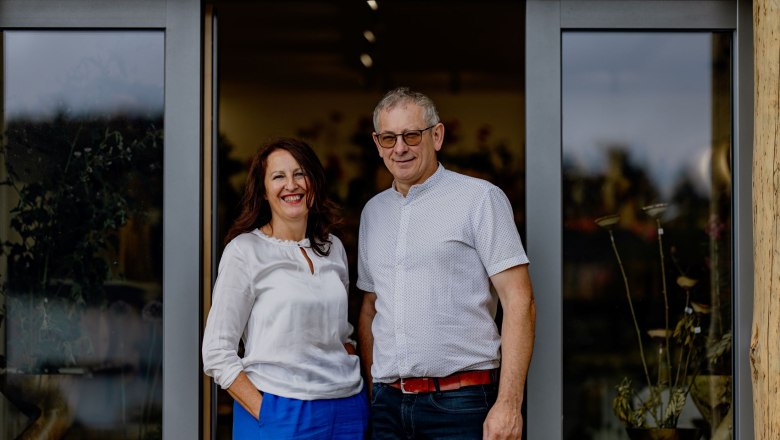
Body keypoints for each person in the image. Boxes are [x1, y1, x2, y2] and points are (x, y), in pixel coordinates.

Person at [357, 87, 536, 439]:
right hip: (388, 407)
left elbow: (520, 301)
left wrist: (509, 403)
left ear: (436, 136)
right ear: (377, 144)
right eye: (389, 138)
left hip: (460, 404)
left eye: (411, 135)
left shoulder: (480, 199)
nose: (400, 148)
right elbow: (370, 308)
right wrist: (374, 390)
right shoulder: (372, 213)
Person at [202, 137, 368, 439]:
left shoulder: (333, 248)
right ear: (263, 191)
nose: (291, 185)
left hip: (347, 407)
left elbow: (341, 334)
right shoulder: (245, 251)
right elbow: (216, 352)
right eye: (278, 176)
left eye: (300, 173)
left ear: (314, 182)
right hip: (280, 409)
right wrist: (266, 412)